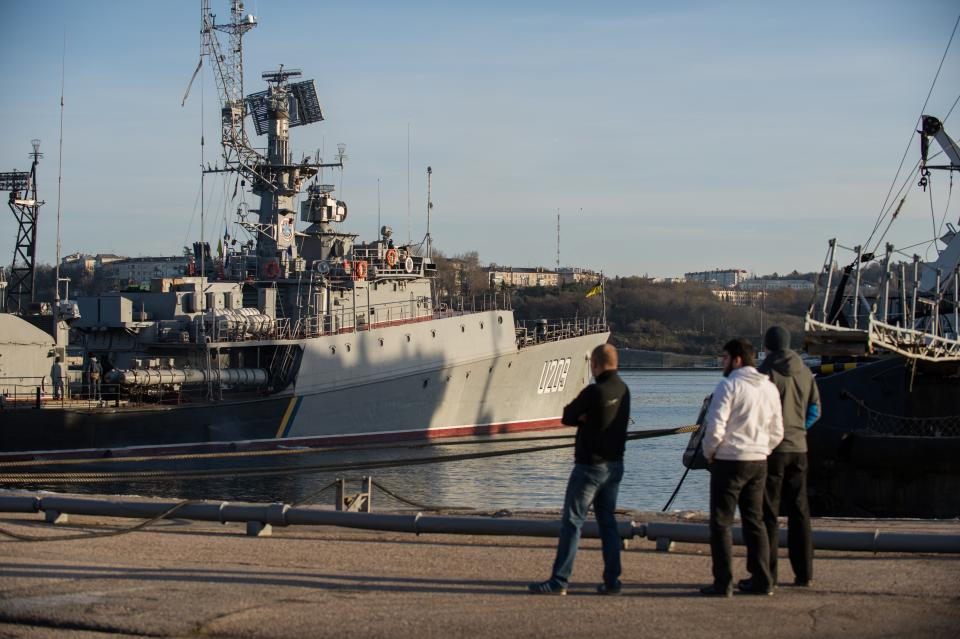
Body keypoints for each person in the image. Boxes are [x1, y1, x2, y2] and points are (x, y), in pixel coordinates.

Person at [528, 343, 630, 596]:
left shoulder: (594, 392)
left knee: (572, 522)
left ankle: (559, 580)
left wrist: (583, 418)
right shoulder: (623, 390)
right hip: (615, 465)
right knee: (608, 523)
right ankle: (612, 580)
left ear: (595, 364)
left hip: (589, 466)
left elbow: (567, 415)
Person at [700, 338, 783, 597]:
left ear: (737, 359)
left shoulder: (728, 385)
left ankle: (723, 582)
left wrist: (710, 454)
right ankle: (762, 580)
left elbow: (715, 427)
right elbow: (777, 430)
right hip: (758, 460)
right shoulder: (769, 387)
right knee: (755, 521)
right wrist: (763, 449)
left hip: (729, 459)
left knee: (722, 523)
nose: (722, 363)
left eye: (725, 358)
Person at [756, 326, 821, 589]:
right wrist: (800, 430)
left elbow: (757, 411)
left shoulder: (765, 372)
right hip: (799, 448)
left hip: (772, 450)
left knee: (768, 513)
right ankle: (804, 572)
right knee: (800, 511)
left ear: (767, 346)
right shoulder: (806, 372)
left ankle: (768, 574)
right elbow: (816, 410)